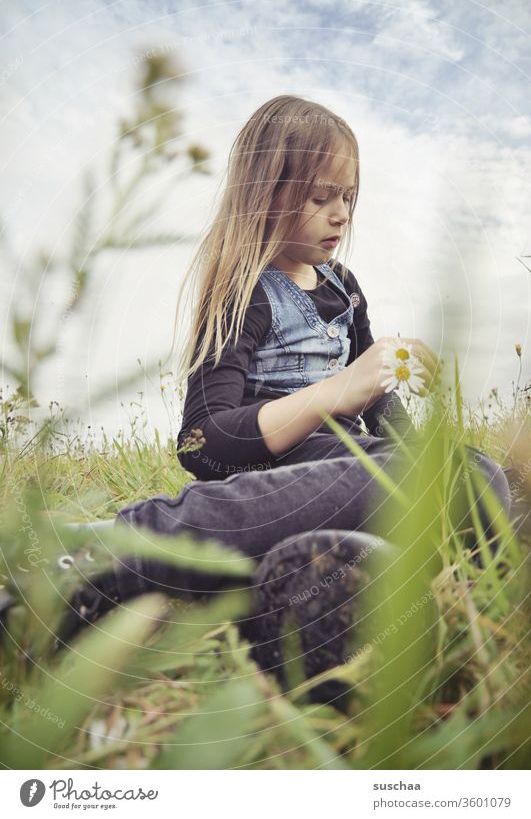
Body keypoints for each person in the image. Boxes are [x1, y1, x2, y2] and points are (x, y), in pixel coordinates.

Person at [49, 96, 513, 688]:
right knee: (456, 481)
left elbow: (378, 403)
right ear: (265, 193)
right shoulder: (244, 293)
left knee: (476, 478)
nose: (340, 214)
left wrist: (421, 453)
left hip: (339, 473)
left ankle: (285, 599)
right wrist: (335, 391)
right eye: (321, 198)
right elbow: (203, 442)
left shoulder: (344, 289)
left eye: (348, 198)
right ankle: (105, 553)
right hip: (273, 472)